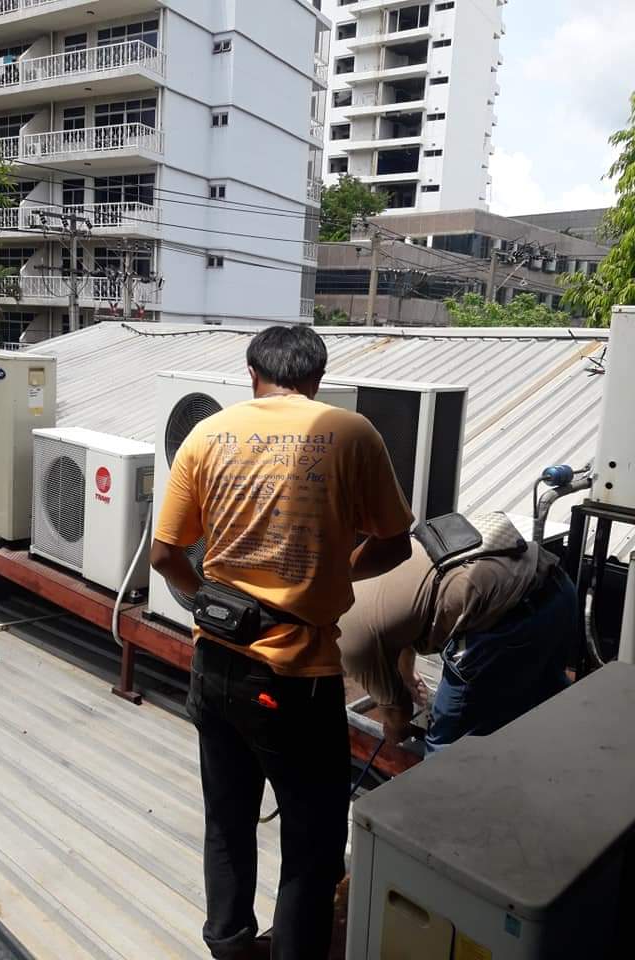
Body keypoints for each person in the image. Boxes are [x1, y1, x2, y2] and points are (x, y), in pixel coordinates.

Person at [150, 326, 414, 960]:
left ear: (252, 373)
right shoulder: (352, 434)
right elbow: (395, 544)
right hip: (297, 679)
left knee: (227, 820)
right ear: (317, 378)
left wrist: (213, 602)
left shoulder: (206, 435)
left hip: (215, 665)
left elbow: (164, 555)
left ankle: (230, 946)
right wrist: (334, 571)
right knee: (312, 843)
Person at [338, 528, 577, 753]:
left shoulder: (348, 646)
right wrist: (407, 674)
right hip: (556, 587)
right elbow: (392, 624)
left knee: (447, 741)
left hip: (510, 619)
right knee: (549, 701)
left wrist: (394, 731)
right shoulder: (346, 583)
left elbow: (399, 711)